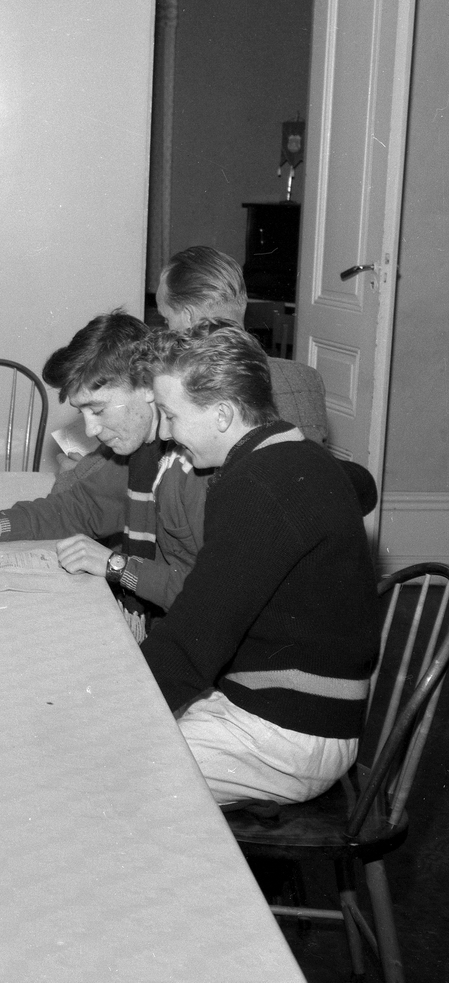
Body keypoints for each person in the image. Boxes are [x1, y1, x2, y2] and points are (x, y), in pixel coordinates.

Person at [140, 323, 378, 805]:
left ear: (223, 414)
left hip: (289, 735)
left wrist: (105, 708)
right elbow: (359, 486)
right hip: (282, 711)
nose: (164, 433)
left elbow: (194, 639)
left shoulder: (258, 487)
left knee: (107, 768)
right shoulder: (296, 455)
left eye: (170, 415)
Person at [0, 311, 205, 632]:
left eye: (98, 409)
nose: (90, 429)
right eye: (82, 412)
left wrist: (116, 566)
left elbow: (210, 595)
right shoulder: (139, 452)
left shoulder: (193, 467)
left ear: (147, 385)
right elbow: (76, 508)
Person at [154, 245, 328, 446]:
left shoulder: (183, 395)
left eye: (166, 320)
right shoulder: (306, 379)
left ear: (189, 317)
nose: (166, 329)